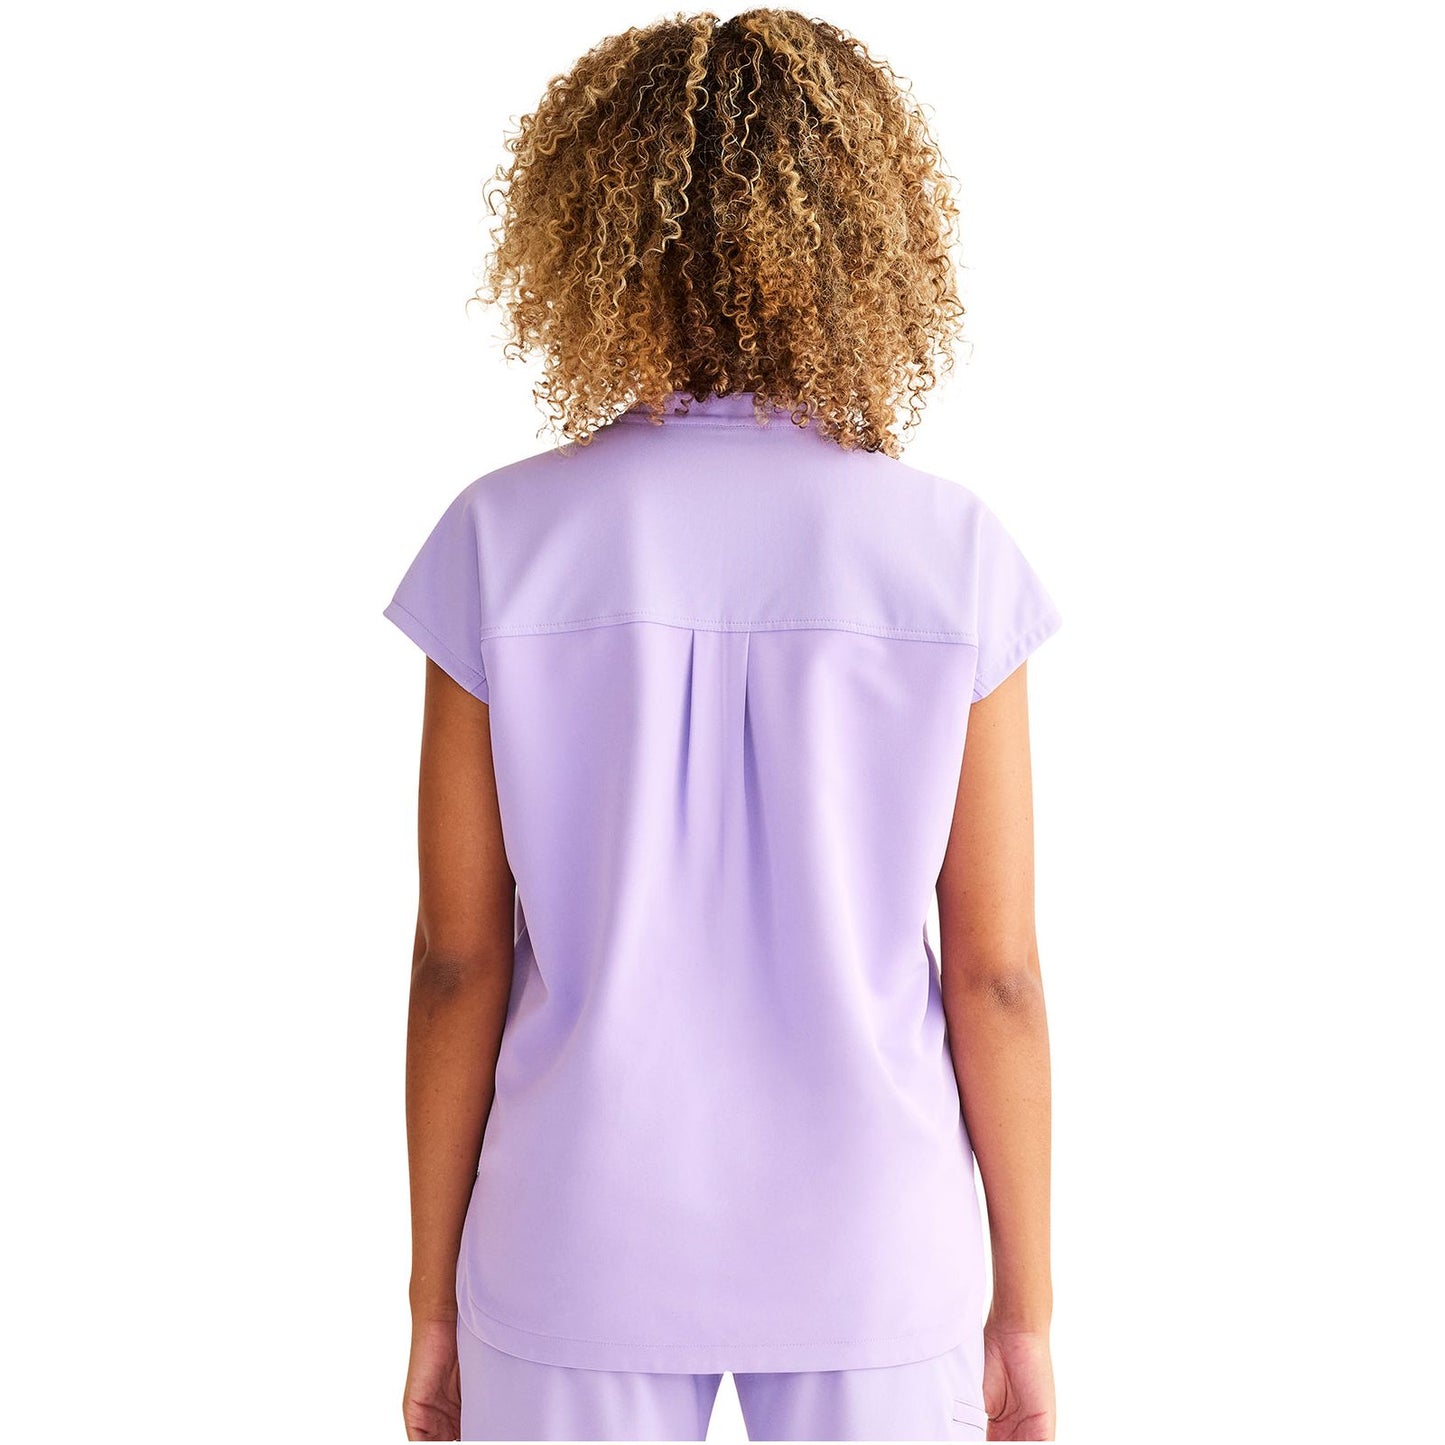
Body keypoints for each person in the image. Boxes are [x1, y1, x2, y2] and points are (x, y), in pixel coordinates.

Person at [384, 9, 1061, 1441]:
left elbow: (456, 960)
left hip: (574, 1233)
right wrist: (1025, 1311)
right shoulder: (948, 554)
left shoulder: (502, 540)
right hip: (875, 1246)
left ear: (589, 231)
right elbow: (995, 976)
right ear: (866, 234)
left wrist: (432, 1299)